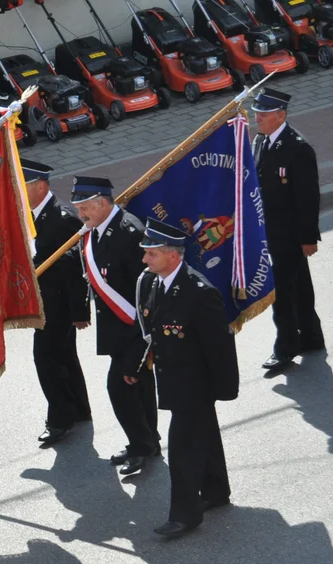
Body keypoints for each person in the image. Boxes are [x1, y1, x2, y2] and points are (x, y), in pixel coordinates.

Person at [130, 219, 239, 538]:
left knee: (182, 450)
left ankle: (185, 515)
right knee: (203, 436)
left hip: (196, 385)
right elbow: (155, 336)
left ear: (172, 256)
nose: (144, 260)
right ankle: (216, 490)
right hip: (173, 377)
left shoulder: (199, 293)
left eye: (150, 254)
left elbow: (219, 348)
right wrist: (138, 369)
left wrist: (222, 390)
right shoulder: (154, 283)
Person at [69, 175, 159, 475]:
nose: (81, 215)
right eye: (78, 208)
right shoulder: (96, 230)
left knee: (120, 386)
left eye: (85, 208)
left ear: (103, 203)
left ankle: (141, 444)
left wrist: (143, 341)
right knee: (140, 385)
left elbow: (147, 288)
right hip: (117, 327)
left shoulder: (130, 232)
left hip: (135, 329)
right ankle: (148, 441)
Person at [251, 88, 325, 371]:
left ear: (281, 115)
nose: (258, 117)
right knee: (300, 286)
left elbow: (308, 198)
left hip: (291, 236)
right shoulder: (260, 142)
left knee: (280, 292)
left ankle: (285, 347)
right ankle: (311, 336)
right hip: (270, 232)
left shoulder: (298, 148)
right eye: (257, 112)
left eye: (264, 113)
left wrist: (308, 238)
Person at [21, 158, 91, 447]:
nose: (18, 190)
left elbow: (76, 272)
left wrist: (79, 312)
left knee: (47, 360)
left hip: (59, 305)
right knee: (63, 356)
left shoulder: (62, 219)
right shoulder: (29, 215)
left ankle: (60, 419)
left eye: (23, 185)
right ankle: (78, 409)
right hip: (43, 302)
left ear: (40, 186)